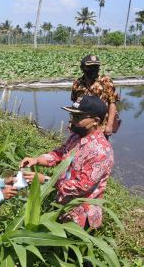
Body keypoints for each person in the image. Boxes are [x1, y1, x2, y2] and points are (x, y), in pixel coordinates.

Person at [20, 95, 114, 230]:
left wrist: (46, 181)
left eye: (78, 117)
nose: (72, 121)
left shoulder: (101, 151)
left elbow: (82, 186)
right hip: (63, 206)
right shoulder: (76, 136)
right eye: (72, 115)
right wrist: (37, 160)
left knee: (72, 249)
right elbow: (60, 153)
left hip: (81, 217)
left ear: (95, 121)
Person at [71, 54, 120, 137]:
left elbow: (112, 103)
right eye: (90, 67)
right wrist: (72, 122)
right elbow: (75, 105)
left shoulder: (106, 82)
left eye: (96, 67)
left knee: (100, 146)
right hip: (83, 123)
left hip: (102, 124)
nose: (93, 69)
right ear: (82, 68)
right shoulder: (77, 84)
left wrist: (109, 125)